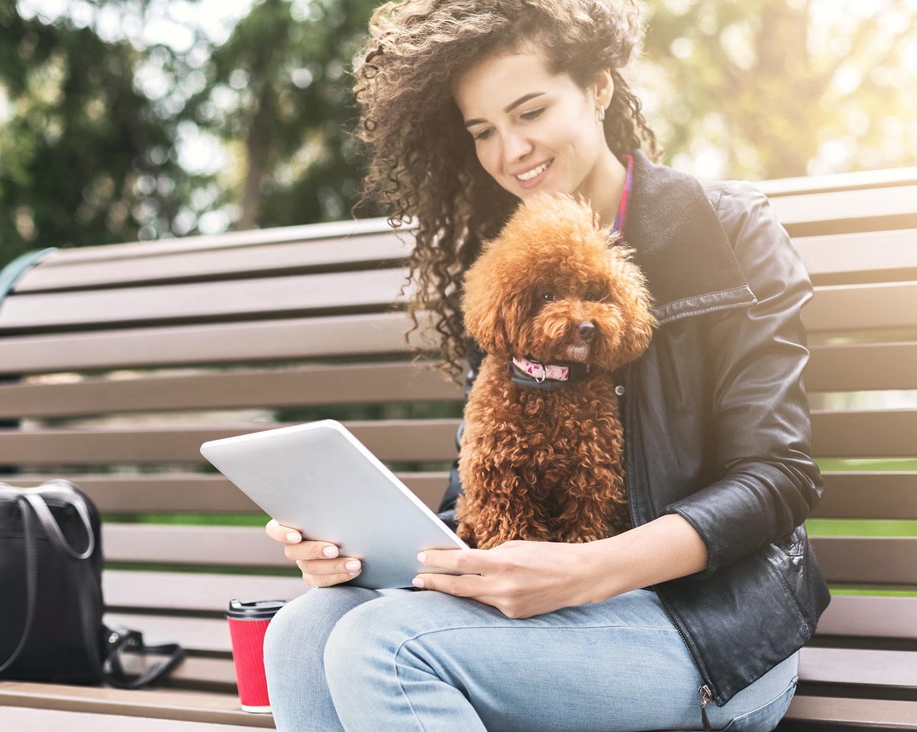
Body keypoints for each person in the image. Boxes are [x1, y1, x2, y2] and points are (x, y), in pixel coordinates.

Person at [262, 1, 830, 730]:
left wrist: (587, 572)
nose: (511, 151)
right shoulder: (511, 275)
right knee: (304, 630)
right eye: (484, 132)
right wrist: (359, 548)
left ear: (597, 86)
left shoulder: (727, 230)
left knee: (387, 648)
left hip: (713, 628)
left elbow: (777, 479)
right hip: (549, 612)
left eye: (529, 111)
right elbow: (478, 495)